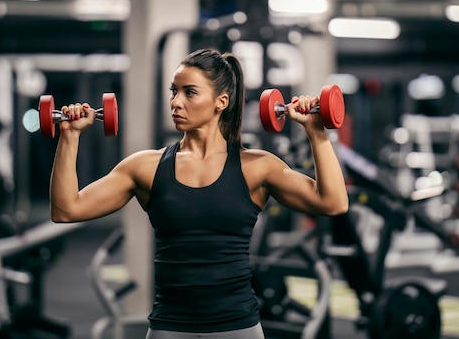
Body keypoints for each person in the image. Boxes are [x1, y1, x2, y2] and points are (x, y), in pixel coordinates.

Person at [49, 48, 349, 339]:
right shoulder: (145, 167)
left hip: (238, 328)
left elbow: (333, 202)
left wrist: (316, 131)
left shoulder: (257, 167)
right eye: (173, 91)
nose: (176, 102)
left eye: (189, 92)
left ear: (221, 101)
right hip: (169, 326)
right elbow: (67, 210)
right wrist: (69, 136)